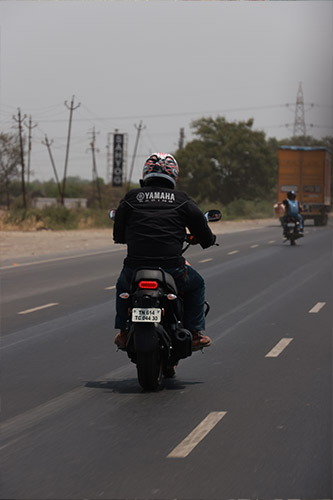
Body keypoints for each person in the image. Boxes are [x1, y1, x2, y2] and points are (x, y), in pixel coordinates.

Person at [113, 152, 217, 351]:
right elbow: (203, 231)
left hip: (135, 269)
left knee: (122, 287)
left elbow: (118, 234)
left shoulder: (131, 197)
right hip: (173, 270)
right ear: (174, 174)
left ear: (146, 172)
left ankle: (124, 333)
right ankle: (195, 334)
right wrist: (208, 240)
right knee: (197, 284)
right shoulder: (182, 200)